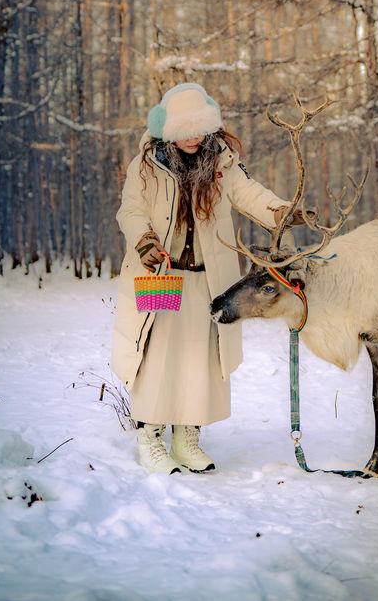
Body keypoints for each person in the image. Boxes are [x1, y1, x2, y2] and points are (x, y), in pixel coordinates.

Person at [112, 83, 293, 474]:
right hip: (160, 274)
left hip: (207, 279)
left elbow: (248, 193)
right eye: (186, 130)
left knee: (200, 358)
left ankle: (187, 439)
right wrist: (144, 240)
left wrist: (281, 211)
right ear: (169, 129)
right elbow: (131, 210)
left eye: (200, 129)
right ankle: (150, 440)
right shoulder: (147, 163)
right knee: (156, 357)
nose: (194, 137)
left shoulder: (221, 160)